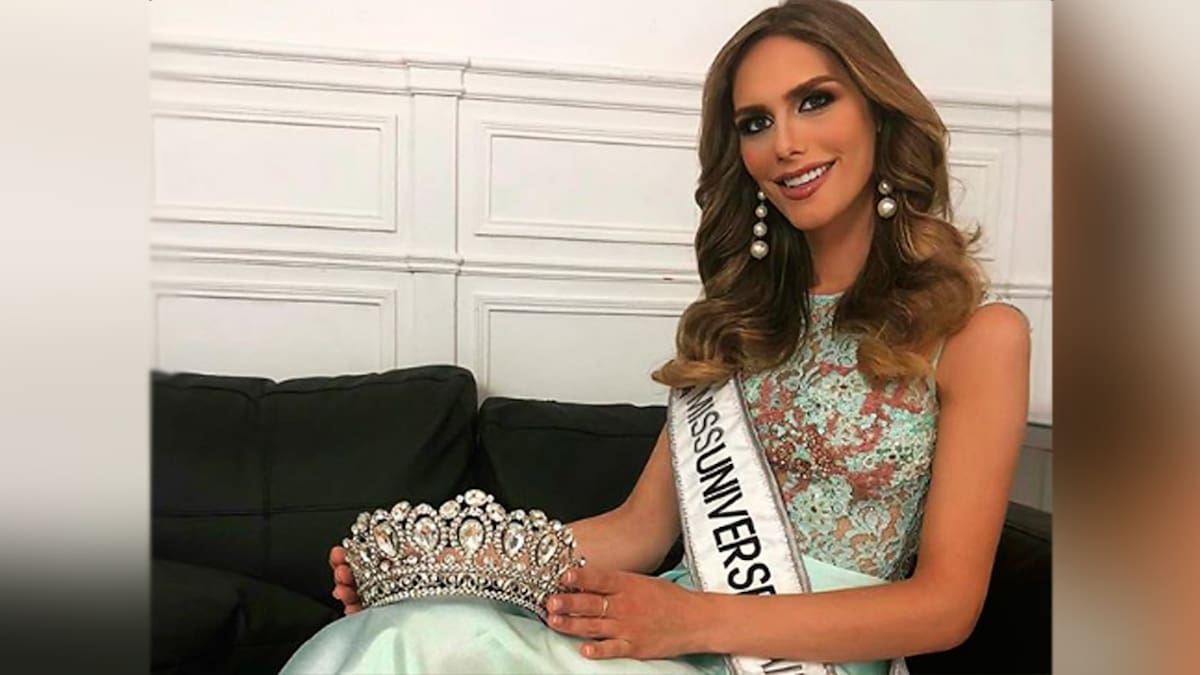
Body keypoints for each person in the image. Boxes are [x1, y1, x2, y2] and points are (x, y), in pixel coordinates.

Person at [284, 1, 1031, 673]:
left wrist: (694, 619)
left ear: (879, 112)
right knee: (412, 631)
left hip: (800, 661)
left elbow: (945, 607)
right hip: (672, 634)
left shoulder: (977, 337)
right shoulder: (740, 326)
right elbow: (639, 530)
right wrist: (451, 566)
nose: (786, 143)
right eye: (755, 122)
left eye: (814, 101)